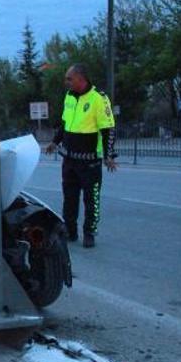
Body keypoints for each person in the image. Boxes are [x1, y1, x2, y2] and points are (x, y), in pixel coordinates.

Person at [46, 64, 117, 248]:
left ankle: (89, 232)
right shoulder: (69, 97)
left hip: (89, 161)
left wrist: (109, 155)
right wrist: (55, 141)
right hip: (69, 159)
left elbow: (108, 129)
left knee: (91, 199)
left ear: (80, 78)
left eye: (69, 79)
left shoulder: (98, 99)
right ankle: (70, 231)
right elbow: (64, 123)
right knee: (69, 197)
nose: (66, 82)